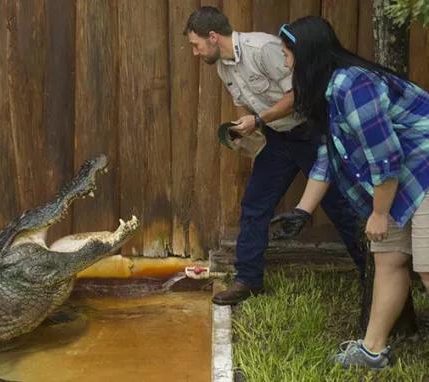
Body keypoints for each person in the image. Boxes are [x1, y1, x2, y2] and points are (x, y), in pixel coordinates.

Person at [183, 6, 366, 306]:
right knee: (254, 205)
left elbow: (298, 94)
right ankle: (248, 280)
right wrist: (247, 132)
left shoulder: (263, 49)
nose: (195, 51)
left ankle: (370, 275)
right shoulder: (222, 66)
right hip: (277, 139)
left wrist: (259, 120)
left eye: (196, 44)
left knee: (340, 207)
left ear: (213, 37)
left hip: (310, 133)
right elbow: (247, 105)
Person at [277, 16, 429, 369]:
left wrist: (379, 213)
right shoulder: (332, 91)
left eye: (287, 54)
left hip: (422, 170)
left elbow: (386, 157)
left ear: (307, 55)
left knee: (426, 268)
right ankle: (372, 351)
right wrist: (302, 210)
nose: (285, 63)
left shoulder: (353, 85)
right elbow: (329, 158)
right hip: (401, 182)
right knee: (389, 259)